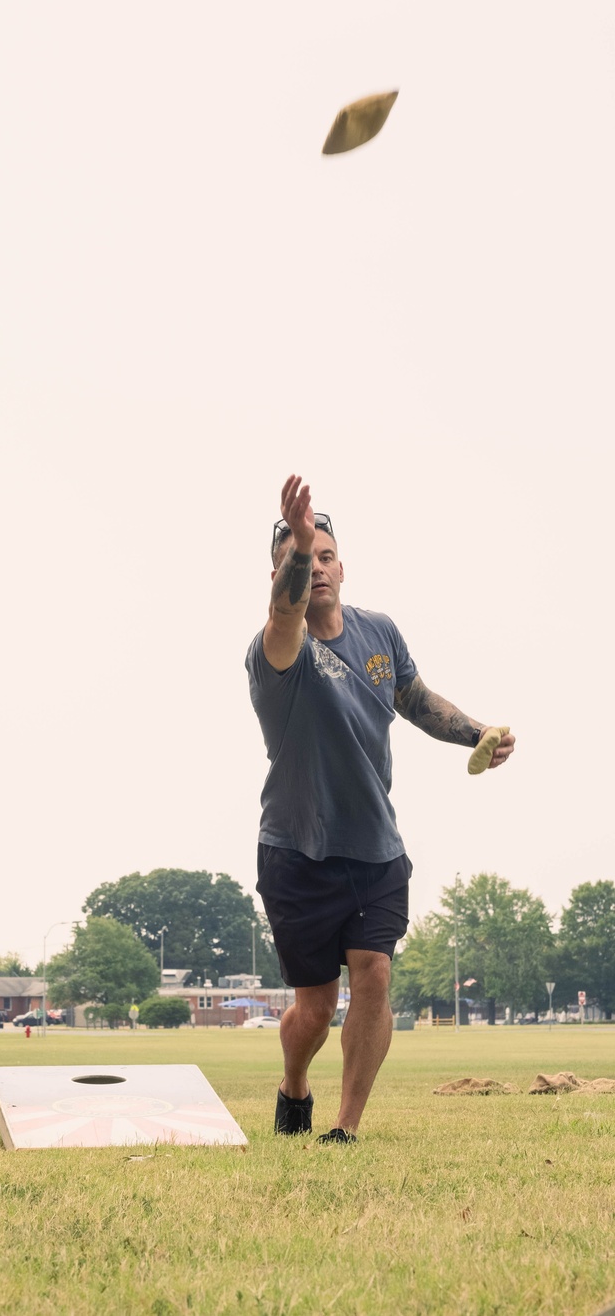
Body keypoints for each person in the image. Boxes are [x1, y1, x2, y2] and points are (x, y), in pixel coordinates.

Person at [246, 476, 515, 1144]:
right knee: (312, 1010)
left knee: (375, 974)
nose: (317, 564)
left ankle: (345, 1128)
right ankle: (294, 1085)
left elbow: (416, 699)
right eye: (303, 557)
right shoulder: (276, 649)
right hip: (296, 851)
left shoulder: (378, 632)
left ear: (345, 563)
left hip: (376, 850)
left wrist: (478, 732)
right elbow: (285, 613)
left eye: (327, 553)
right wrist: (297, 550)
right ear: (281, 572)